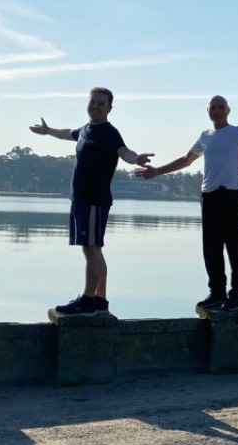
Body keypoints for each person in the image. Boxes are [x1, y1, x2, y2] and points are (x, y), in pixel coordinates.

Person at [134, 95, 238, 311]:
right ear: (208, 111)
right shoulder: (205, 136)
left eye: (221, 107)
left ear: (228, 110)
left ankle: (237, 293)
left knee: (233, 246)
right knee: (211, 248)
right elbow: (186, 160)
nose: (217, 110)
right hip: (209, 197)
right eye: (213, 107)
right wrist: (158, 171)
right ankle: (217, 292)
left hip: (230, 196)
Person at [30, 87, 152, 316]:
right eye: (93, 102)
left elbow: (124, 151)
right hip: (80, 199)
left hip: (95, 200)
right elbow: (68, 133)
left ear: (109, 109)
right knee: (93, 249)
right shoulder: (86, 130)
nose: (96, 106)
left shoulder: (109, 132)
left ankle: (87, 300)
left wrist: (137, 159)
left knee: (92, 248)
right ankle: (100, 301)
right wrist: (48, 131)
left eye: (101, 104)